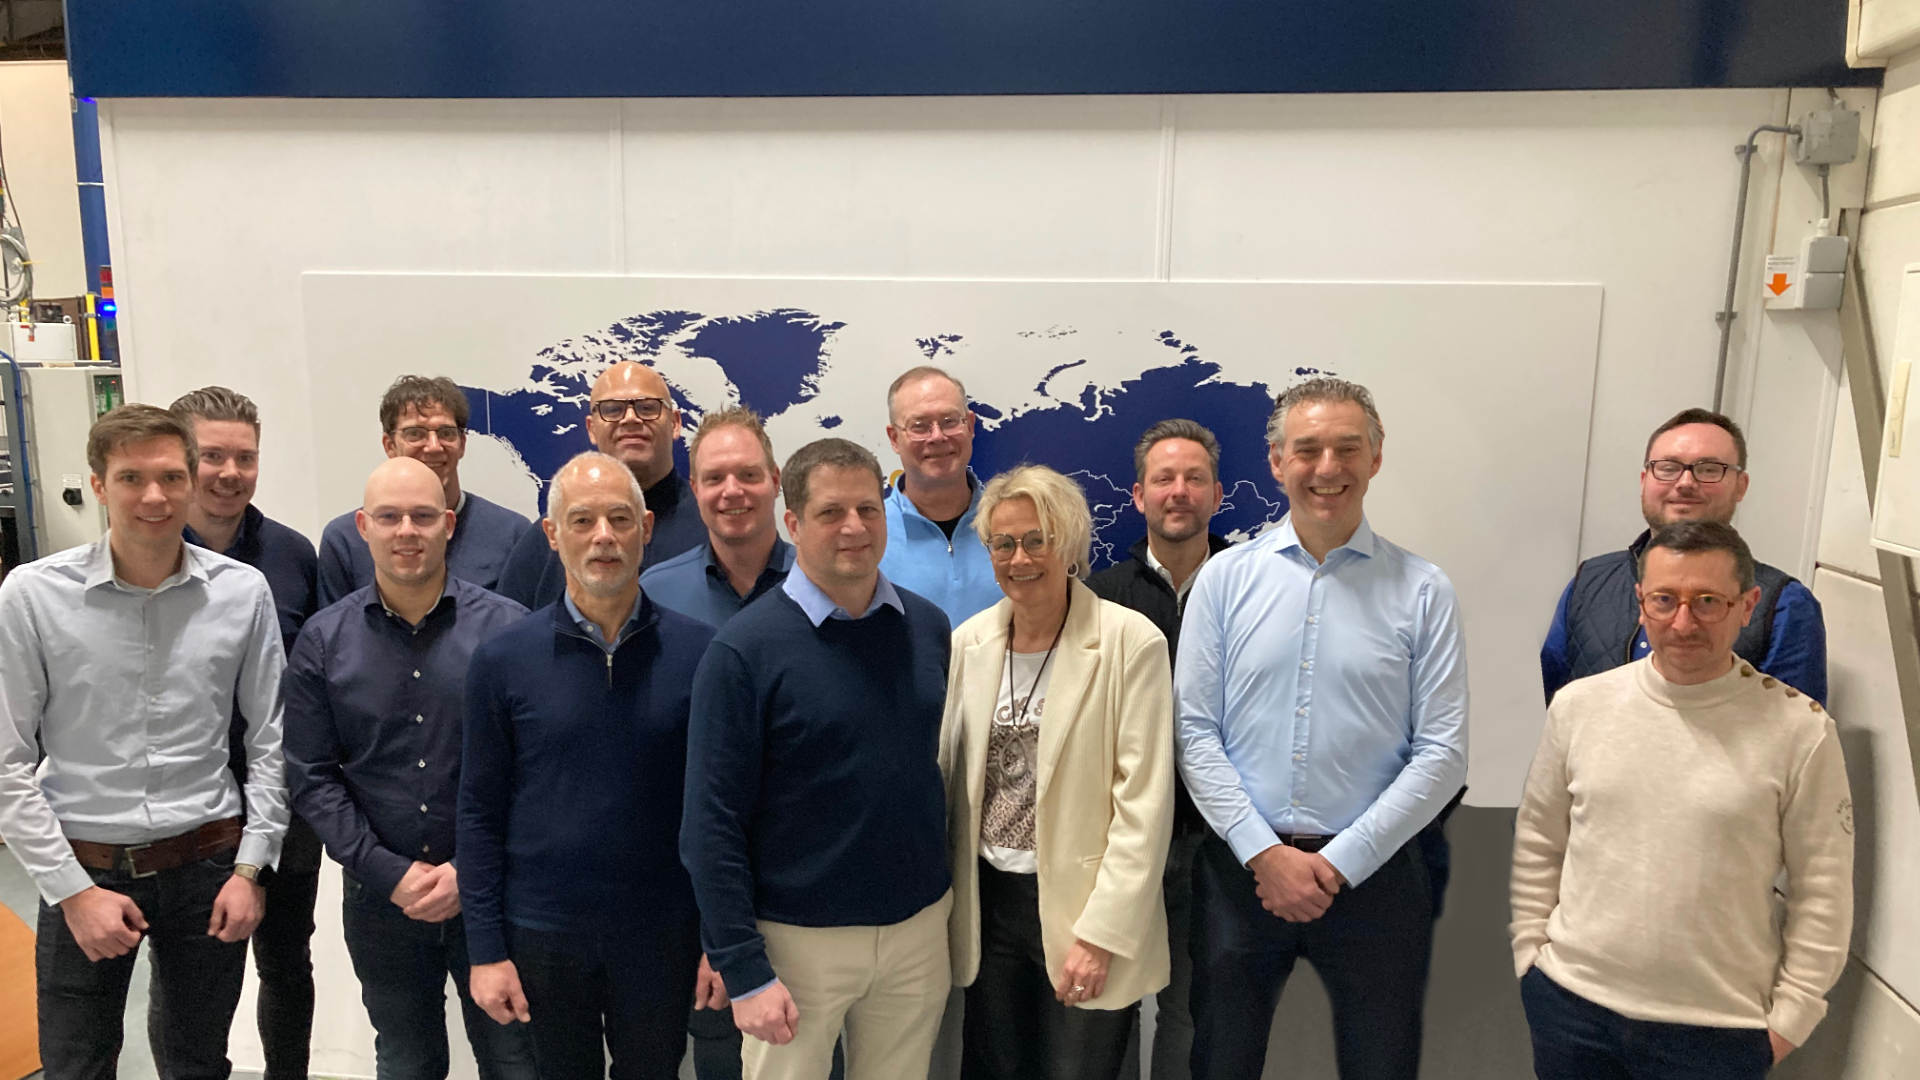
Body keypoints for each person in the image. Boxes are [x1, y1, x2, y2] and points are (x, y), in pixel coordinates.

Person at [1176, 378, 1468, 1080]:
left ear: (1376, 458)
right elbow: (1194, 731)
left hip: (1378, 878)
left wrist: (1339, 863)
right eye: (1307, 449)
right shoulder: (1223, 580)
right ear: (1277, 462)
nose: (1327, 468)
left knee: (1381, 1065)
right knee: (1220, 1063)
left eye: (1347, 448)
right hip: (1242, 874)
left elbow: (1443, 752)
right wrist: (1263, 854)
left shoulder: (1424, 590)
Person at [0, 404, 290, 1080]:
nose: (154, 497)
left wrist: (251, 868)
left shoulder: (242, 594)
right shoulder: (33, 597)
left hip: (209, 868)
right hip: (84, 867)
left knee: (198, 1064)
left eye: (170, 477)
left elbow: (271, 742)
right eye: (131, 478)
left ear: (191, 482)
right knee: (75, 1066)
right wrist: (72, 892)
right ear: (99, 485)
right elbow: (7, 763)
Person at [1511, 520, 1852, 1080]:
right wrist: (1532, 958)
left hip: (1717, 1031)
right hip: (1572, 1011)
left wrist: (1792, 1018)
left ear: (1747, 606)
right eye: (1665, 600)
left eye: (1708, 601)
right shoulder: (1578, 707)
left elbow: (1824, 891)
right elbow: (1540, 842)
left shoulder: (1800, 731)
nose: (1684, 622)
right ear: (1641, 602)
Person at [683, 437, 954, 1080]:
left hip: (917, 930)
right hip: (795, 943)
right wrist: (743, 967)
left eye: (868, 509)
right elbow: (710, 823)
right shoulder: (744, 650)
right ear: (794, 523)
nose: (854, 527)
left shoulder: (928, 628)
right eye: (831, 512)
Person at [462, 452, 717, 1080]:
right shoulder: (501, 660)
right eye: (582, 520)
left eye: (620, 519)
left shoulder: (702, 654)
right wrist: (485, 950)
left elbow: (720, 812)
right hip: (542, 932)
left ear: (645, 529)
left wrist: (719, 939)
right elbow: (479, 812)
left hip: (662, 931)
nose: (603, 536)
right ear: (552, 535)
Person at [283, 457, 537, 1080]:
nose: (406, 531)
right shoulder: (322, 641)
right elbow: (311, 775)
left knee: (515, 1059)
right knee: (406, 1060)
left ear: (448, 525)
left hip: (494, 894)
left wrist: (466, 871)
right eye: (390, 517)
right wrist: (387, 872)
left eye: (423, 517)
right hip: (379, 901)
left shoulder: (510, 631)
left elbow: (535, 771)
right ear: (362, 527)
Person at [942, 464, 1175, 1080]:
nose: (1019, 558)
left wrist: (1102, 935)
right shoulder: (969, 644)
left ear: (1069, 545)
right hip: (990, 907)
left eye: (1036, 540)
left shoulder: (1130, 643)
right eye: (1003, 543)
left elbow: (1145, 806)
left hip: (1083, 910)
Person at [171, 386, 323, 1080]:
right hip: (188, 807)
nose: (230, 473)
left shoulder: (292, 555)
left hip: (284, 802)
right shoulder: (150, 552)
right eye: (212, 456)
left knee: (287, 963)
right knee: (191, 975)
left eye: (245, 457)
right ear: (182, 458)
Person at [1085, 419, 1228, 1080]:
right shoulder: (1097, 597)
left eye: (1194, 478)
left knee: (1191, 1016)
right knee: (1105, 1010)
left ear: (1217, 495)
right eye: (1164, 479)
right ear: (1139, 496)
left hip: (1216, 846)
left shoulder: (1249, 587)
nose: (1179, 491)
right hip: (1116, 844)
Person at [1541, 407, 1826, 705]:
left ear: (1741, 486)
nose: (1686, 482)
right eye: (1668, 468)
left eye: (1709, 469)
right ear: (1644, 481)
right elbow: (1550, 706)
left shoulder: (1784, 605)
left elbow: (1791, 727)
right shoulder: (1590, 580)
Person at [498, 361, 704, 609]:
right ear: (591, 429)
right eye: (613, 409)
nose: (630, 419)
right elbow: (510, 626)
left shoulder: (711, 527)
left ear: (675, 423)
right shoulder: (546, 541)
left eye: (647, 407)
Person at [318, 375, 533, 605]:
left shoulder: (513, 534)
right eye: (415, 433)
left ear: (462, 444)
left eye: (446, 433)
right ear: (389, 445)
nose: (433, 447)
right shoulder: (345, 541)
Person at [640, 406, 794, 630]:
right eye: (715, 478)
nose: (732, 491)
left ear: (775, 480)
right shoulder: (655, 592)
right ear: (696, 489)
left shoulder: (823, 581)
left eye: (748, 475)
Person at [878, 366, 1003, 628]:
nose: (937, 436)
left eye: (949, 421)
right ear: (894, 438)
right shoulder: (870, 534)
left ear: (970, 426)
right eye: (919, 426)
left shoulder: (1011, 523)